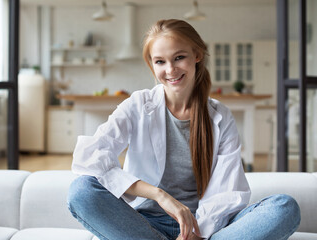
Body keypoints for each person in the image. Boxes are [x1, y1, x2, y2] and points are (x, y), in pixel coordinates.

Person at [67, 19, 301, 240]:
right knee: (81, 191)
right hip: (143, 225)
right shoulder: (138, 105)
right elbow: (89, 158)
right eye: (160, 61)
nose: (170, 70)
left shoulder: (220, 117)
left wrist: (195, 233)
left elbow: (228, 192)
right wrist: (160, 196)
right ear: (152, 65)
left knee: (284, 207)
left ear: (197, 55)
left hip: (204, 226)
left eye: (179, 57)